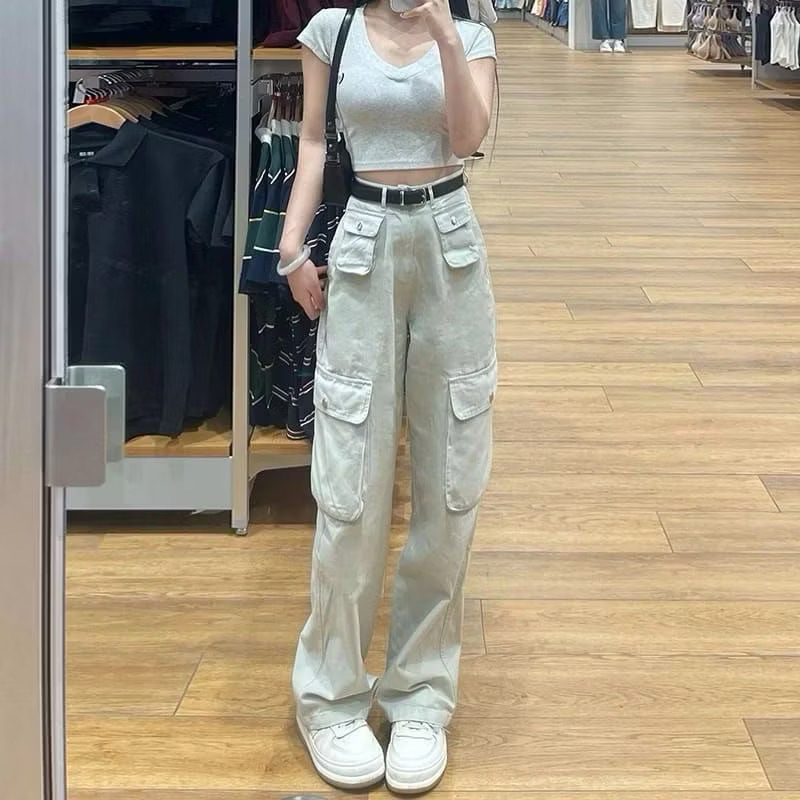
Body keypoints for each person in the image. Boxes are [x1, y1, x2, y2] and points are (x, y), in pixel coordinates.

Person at [278, 0, 497, 793]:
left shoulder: (471, 36)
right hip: (363, 242)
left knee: (449, 486)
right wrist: (290, 247)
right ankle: (330, 697)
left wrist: (443, 33)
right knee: (350, 487)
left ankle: (420, 697)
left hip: (450, 247)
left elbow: (468, 139)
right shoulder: (331, 32)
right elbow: (311, 142)